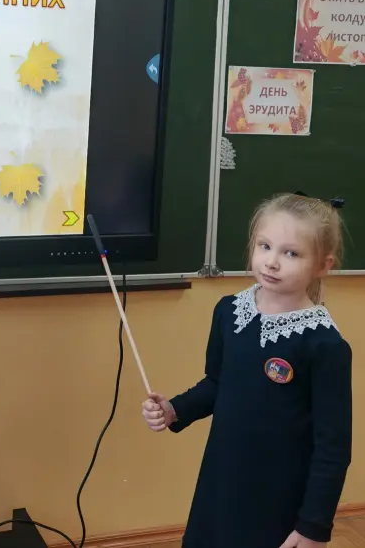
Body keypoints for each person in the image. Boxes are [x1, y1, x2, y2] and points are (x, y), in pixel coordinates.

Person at [142, 193, 352, 548]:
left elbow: (333, 447)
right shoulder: (229, 312)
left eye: (291, 253)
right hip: (221, 481)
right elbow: (218, 382)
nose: (272, 262)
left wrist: (313, 526)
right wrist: (175, 409)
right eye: (264, 246)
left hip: (277, 496)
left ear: (322, 265)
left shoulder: (324, 344)